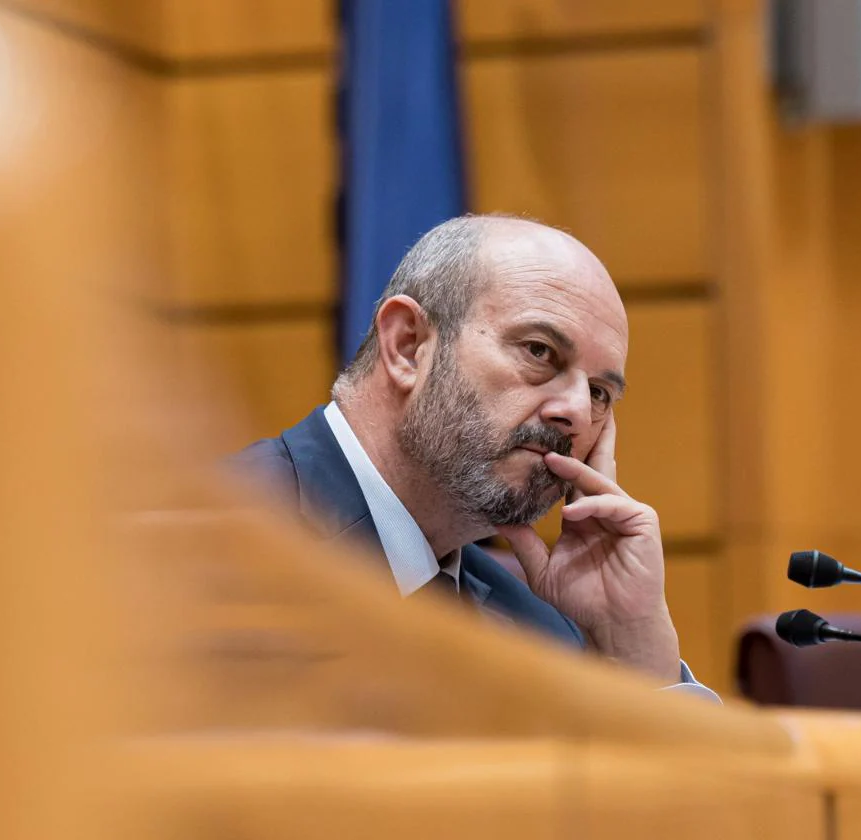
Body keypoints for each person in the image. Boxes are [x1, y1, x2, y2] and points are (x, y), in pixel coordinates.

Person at [233, 215, 717, 699]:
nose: (573, 412)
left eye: (598, 392)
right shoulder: (212, 550)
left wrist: (632, 643)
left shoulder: (546, 630)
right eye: (539, 351)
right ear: (407, 346)